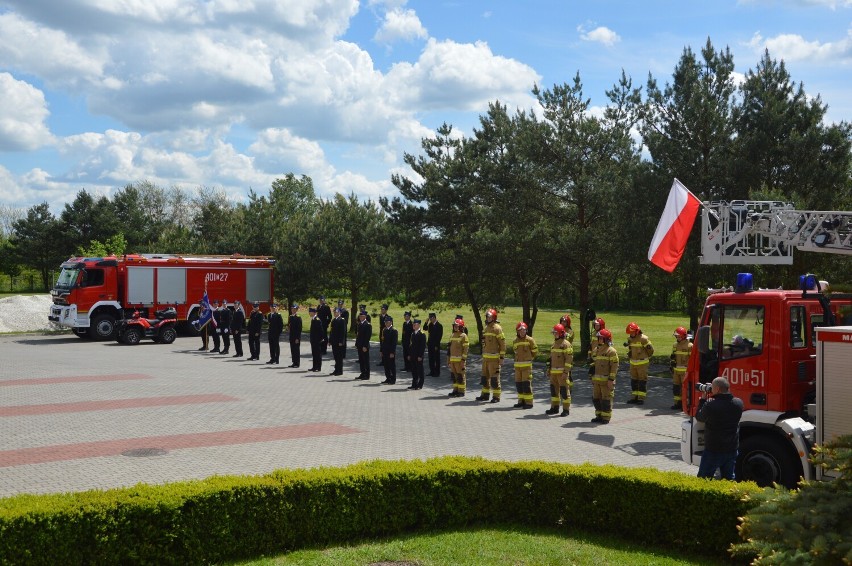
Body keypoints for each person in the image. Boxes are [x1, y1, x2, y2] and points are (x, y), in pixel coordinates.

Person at [696, 376, 744, 480]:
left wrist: (702, 400)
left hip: (713, 449)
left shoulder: (710, 405)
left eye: (712, 387)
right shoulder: (739, 403)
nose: (711, 389)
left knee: (703, 479)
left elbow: (699, 417)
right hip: (732, 448)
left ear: (717, 389)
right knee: (729, 479)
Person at [476, 308, 505, 403]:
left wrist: (501, 358)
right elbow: (484, 342)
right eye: (487, 317)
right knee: (485, 378)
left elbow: (503, 345)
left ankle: (496, 396)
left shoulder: (497, 328)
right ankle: (485, 395)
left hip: (494, 359)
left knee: (494, 379)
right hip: (486, 358)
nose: (488, 318)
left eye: (490, 317)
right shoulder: (485, 328)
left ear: (494, 317)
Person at [591, 328, 618, 424]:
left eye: (602, 338)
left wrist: (611, 379)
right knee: (596, 399)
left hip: (606, 381)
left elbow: (614, 366)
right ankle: (598, 415)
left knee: (606, 400)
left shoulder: (611, 351)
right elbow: (593, 363)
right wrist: (591, 374)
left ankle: (606, 417)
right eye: (599, 338)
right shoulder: (596, 350)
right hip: (597, 381)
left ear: (607, 339)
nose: (599, 340)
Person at [545, 323, 573, 415]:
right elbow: (551, 359)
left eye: (556, 333)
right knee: (554, 391)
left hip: (562, 373)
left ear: (561, 333)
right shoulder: (554, 344)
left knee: (564, 391)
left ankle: (566, 410)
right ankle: (554, 407)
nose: (554, 334)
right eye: (554, 333)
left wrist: (566, 372)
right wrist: (548, 369)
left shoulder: (566, 344)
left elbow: (569, 360)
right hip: (553, 373)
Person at [625, 322, 654, 404]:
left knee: (642, 380)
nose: (631, 334)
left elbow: (650, 350)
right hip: (633, 363)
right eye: (630, 333)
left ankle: (641, 398)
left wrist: (646, 357)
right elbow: (631, 349)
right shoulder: (629, 339)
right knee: (634, 380)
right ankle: (634, 397)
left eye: (633, 332)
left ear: (637, 331)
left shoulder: (643, 339)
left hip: (642, 363)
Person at [512, 322, 538, 409]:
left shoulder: (530, 340)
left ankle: (529, 403)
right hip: (517, 367)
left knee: (526, 384)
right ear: (517, 331)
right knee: (519, 385)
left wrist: (530, 358)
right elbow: (515, 353)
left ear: (526, 330)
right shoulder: (515, 341)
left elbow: (535, 351)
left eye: (523, 330)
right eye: (520, 330)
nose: (522, 332)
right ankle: (521, 401)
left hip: (526, 367)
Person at [670, 326, 692, 410]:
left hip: (685, 372)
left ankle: (685, 404)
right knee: (676, 387)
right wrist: (671, 366)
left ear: (683, 336)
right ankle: (677, 403)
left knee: (685, 388)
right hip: (676, 371)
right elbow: (673, 357)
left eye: (679, 336)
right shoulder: (675, 345)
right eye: (676, 336)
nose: (677, 338)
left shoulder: (689, 346)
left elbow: (692, 360)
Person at [447, 318, 469, 397]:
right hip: (452, 360)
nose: (455, 327)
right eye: (454, 326)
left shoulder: (463, 336)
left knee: (460, 376)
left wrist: (463, 360)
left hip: (459, 361)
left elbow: (466, 349)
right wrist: (448, 360)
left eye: (457, 326)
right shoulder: (452, 335)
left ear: (461, 327)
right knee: (454, 376)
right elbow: (449, 349)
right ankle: (455, 390)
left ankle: (461, 391)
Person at [408, 318, 426, 390]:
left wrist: (420, 356)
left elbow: (422, 346)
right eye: (413, 324)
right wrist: (409, 354)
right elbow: (411, 345)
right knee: (414, 370)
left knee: (420, 371)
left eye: (415, 324)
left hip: (418, 355)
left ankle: (420, 385)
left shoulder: (422, 334)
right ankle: (414, 384)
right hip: (413, 355)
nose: (413, 326)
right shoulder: (413, 333)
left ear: (418, 325)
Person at [424, 312, 443, 377]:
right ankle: (432, 371)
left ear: (435, 318)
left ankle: (437, 372)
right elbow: (424, 328)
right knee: (431, 358)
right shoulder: (430, 325)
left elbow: (439, 337)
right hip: (430, 344)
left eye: (432, 318)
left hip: (435, 345)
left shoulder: (439, 325)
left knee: (436, 359)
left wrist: (436, 345)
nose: (431, 319)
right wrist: (426, 322)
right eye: (430, 318)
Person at [355, 309, 372, 380]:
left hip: (364, 345)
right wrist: (357, 344)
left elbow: (367, 337)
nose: (360, 317)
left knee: (365, 360)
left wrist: (365, 346)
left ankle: (367, 375)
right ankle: (362, 373)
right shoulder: (360, 324)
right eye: (360, 316)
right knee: (361, 360)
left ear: (365, 316)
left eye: (362, 316)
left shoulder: (367, 325)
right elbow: (358, 335)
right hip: (359, 345)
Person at [380, 315, 398, 384]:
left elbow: (394, 343)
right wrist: (381, 350)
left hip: (390, 351)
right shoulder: (384, 330)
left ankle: (393, 379)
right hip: (384, 351)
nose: (386, 323)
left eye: (387, 322)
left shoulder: (394, 331)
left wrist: (392, 352)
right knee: (386, 365)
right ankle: (388, 378)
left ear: (391, 322)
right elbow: (382, 341)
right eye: (385, 322)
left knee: (391, 366)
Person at [329, 307, 346, 375]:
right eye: (334, 312)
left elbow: (343, 332)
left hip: (339, 342)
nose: (335, 313)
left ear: (339, 313)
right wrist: (330, 340)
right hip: (334, 341)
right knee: (335, 356)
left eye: (336, 312)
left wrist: (341, 341)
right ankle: (336, 370)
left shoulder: (342, 320)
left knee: (339, 357)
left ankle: (339, 371)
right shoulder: (333, 320)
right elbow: (331, 332)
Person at [308, 306, 326, 372]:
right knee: (314, 353)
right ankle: (314, 366)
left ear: (314, 312)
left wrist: (321, 339)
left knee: (318, 354)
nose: (309, 313)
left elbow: (321, 330)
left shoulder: (317, 320)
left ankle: (318, 367)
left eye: (310, 312)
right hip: (313, 340)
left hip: (317, 340)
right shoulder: (313, 319)